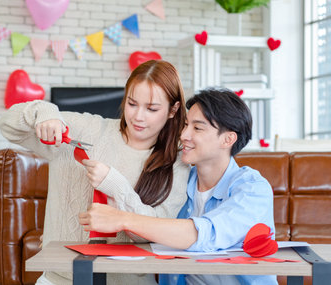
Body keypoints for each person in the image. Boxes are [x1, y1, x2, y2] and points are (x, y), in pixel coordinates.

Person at [0, 60, 190, 285]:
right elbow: (8, 126)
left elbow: (155, 234)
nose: (138, 116)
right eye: (132, 103)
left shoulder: (177, 162)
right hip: (59, 279)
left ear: (173, 110)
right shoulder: (87, 129)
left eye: (152, 109)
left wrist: (116, 185)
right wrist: (44, 111)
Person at [79, 88, 278, 285]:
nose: (183, 135)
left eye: (197, 128)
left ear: (228, 139)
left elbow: (203, 234)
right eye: (185, 125)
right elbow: (148, 222)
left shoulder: (253, 189)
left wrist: (122, 219)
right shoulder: (179, 180)